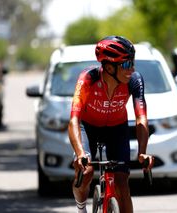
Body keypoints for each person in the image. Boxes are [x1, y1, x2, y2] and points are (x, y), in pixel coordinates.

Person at [68, 35, 154, 213]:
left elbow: (141, 118)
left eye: (132, 63)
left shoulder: (134, 80)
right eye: (125, 65)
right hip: (88, 127)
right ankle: (81, 207)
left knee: (122, 182)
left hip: (117, 128)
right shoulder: (88, 79)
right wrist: (80, 153)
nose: (131, 69)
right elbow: (74, 119)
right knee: (86, 173)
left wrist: (143, 152)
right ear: (108, 67)